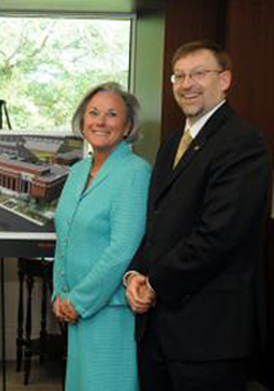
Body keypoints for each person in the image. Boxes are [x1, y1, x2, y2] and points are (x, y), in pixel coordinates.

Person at [125, 40, 271, 391]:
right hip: (158, 327)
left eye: (199, 73)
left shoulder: (242, 143)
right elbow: (157, 222)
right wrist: (136, 273)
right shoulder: (172, 143)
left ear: (225, 80)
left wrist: (155, 283)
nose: (187, 83)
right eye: (179, 75)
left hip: (210, 331)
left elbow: (218, 236)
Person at [52, 82, 151, 390]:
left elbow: (122, 248)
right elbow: (63, 236)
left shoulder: (135, 172)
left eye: (111, 114)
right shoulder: (78, 171)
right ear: (82, 121)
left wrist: (78, 301)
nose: (100, 121)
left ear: (127, 126)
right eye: (93, 113)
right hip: (75, 310)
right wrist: (59, 294)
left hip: (109, 311)